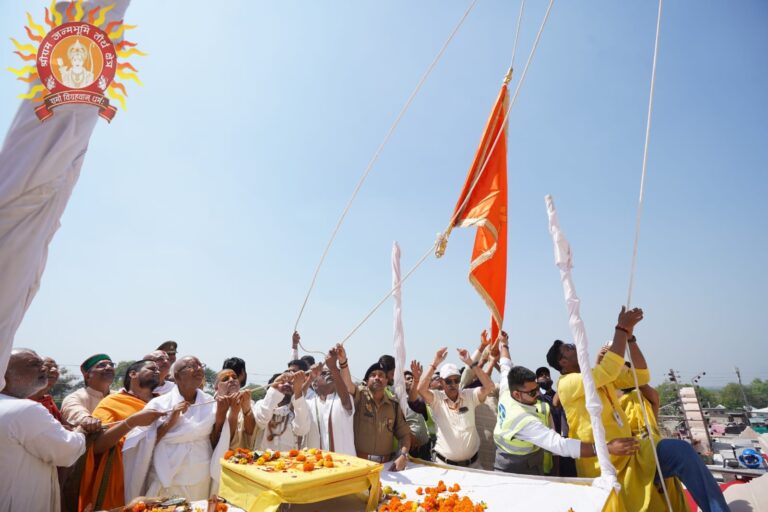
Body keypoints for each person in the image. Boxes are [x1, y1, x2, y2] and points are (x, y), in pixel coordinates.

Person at [546, 307, 729, 512]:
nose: (576, 346)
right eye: (570, 347)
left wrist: (631, 340)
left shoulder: (595, 376)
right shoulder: (566, 383)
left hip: (633, 451)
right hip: (605, 462)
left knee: (681, 452)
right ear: (562, 362)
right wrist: (621, 329)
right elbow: (607, 371)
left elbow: (640, 376)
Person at [494, 337, 638, 476]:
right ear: (517, 395)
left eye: (537, 388)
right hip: (516, 468)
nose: (538, 394)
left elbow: (505, 364)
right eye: (532, 392)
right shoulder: (524, 420)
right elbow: (560, 445)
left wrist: (504, 344)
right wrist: (607, 448)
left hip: (526, 460)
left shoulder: (507, 389)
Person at [122, 356, 230, 502]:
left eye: (200, 365)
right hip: (167, 474)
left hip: (200, 474)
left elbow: (216, 441)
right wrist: (170, 421)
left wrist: (221, 417)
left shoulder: (210, 402)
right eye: (191, 366)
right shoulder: (159, 404)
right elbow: (144, 444)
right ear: (177, 376)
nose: (199, 369)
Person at [0, 349, 89, 512]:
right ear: (5, 374)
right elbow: (65, 451)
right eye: (34, 365)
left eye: (42, 364)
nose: (43, 369)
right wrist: (81, 431)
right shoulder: (25, 409)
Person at [78, 360, 167, 511]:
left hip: (159, 474)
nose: (157, 371)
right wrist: (131, 423)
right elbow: (97, 446)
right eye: (152, 368)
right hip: (121, 478)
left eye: (159, 369)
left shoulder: (165, 403)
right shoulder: (112, 402)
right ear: (133, 374)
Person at [417, 346, 495, 468]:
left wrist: (470, 362)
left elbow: (489, 386)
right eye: (448, 381)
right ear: (441, 382)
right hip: (445, 466)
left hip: (473, 465)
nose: (453, 384)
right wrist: (435, 363)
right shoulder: (437, 399)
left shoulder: (469, 395)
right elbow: (421, 389)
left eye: (457, 380)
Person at [338, 352, 411, 470]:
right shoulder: (359, 397)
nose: (377, 377)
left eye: (381, 375)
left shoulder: (394, 405)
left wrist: (403, 455)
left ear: (387, 380)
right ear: (367, 381)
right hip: (359, 464)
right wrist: (343, 362)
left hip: (386, 466)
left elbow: (404, 435)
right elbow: (347, 386)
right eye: (373, 375)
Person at [303, 345, 355, 456]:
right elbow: (295, 402)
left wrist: (334, 367)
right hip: (318, 467)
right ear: (315, 384)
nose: (329, 374)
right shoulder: (309, 402)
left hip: (346, 466)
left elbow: (346, 400)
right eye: (323, 373)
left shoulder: (341, 398)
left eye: (330, 372)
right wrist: (309, 378)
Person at [253, 370, 310, 452]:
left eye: (290, 383)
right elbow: (261, 420)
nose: (286, 384)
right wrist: (274, 391)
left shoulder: (298, 408)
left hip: (289, 462)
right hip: (262, 461)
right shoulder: (260, 404)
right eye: (282, 382)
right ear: (271, 388)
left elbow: (301, 430)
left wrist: (298, 392)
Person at [61, 353, 115, 427]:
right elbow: (76, 413)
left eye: (111, 365)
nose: (109, 368)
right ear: (87, 376)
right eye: (102, 365)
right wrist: (87, 419)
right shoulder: (75, 398)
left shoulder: (120, 396)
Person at [214, 369, 258, 450]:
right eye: (225, 379)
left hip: (244, 459)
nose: (231, 380)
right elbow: (217, 441)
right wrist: (233, 414)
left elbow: (251, 435)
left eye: (234, 377)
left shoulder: (249, 402)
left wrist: (246, 409)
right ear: (216, 388)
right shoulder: (212, 407)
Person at [403, 362, 433, 460]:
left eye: (412, 377)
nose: (411, 379)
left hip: (426, 444)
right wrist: (411, 438)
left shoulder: (422, 397)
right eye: (407, 378)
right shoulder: (398, 401)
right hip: (411, 447)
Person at [30, 356, 66, 424]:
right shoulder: (24, 401)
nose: (54, 370)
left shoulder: (48, 400)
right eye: (48, 367)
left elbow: (67, 426)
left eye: (56, 367)